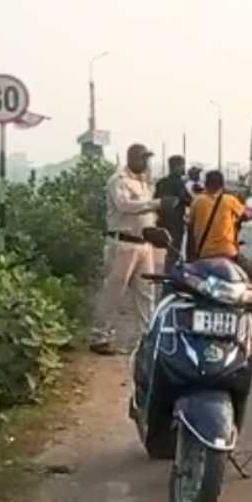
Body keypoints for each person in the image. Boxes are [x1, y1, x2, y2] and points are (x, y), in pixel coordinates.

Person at [91, 143, 177, 355]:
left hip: (143, 244)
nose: (145, 162)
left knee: (146, 293)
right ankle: (100, 337)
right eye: (142, 158)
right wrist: (156, 204)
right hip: (123, 243)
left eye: (147, 158)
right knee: (113, 292)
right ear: (131, 158)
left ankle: (147, 337)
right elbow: (125, 206)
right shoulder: (118, 180)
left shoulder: (145, 182)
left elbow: (147, 213)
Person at [186, 169, 252, 282]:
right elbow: (246, 215)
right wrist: (251, 211)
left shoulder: (197, 201)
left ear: (206, 184)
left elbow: (190, 229)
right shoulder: (229, 200)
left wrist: (190, 257)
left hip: (203, 253)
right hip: (228, 252)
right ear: (222, 185)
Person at [155, 155, 190, 266]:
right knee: (174, 252)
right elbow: (188, 200)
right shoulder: (179, 183)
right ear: (176, 166)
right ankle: (170, 272)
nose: (184, 168)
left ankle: (163, 270)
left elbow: (155, 200)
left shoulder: (161, 182)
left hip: (161, 222)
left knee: (162, 251)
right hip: (176, 224)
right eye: (182, 165)